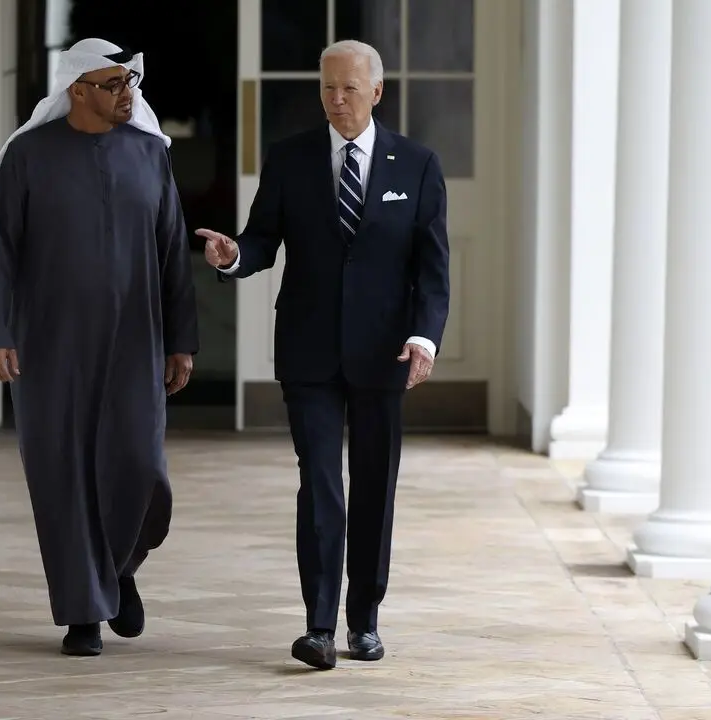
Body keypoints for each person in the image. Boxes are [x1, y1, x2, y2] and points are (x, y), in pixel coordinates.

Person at [197, 39, 449, 670]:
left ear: (377, 92)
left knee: (373, 489)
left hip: (384, 353)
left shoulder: (417, 165)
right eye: (327, 89)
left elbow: (432, 267)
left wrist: (423, 338)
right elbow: (262, 239)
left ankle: (364, 621)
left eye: (350, 89)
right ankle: (318, 626)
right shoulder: (290, 158)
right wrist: (234, 256)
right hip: (308, 351)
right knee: (320, 485)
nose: (337, 101)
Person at [0, 38, 199, 657]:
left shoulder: (150, 154)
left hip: (137, 339)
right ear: (77, 91)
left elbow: (172, 249)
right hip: (50, 344)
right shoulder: (29, 156)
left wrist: (181, 340)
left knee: (141, 468)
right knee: (63, 474)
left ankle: (120, 567)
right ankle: (83, 613)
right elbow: (0, 250)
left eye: (130, 82)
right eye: (113, 84)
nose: (127, 93)